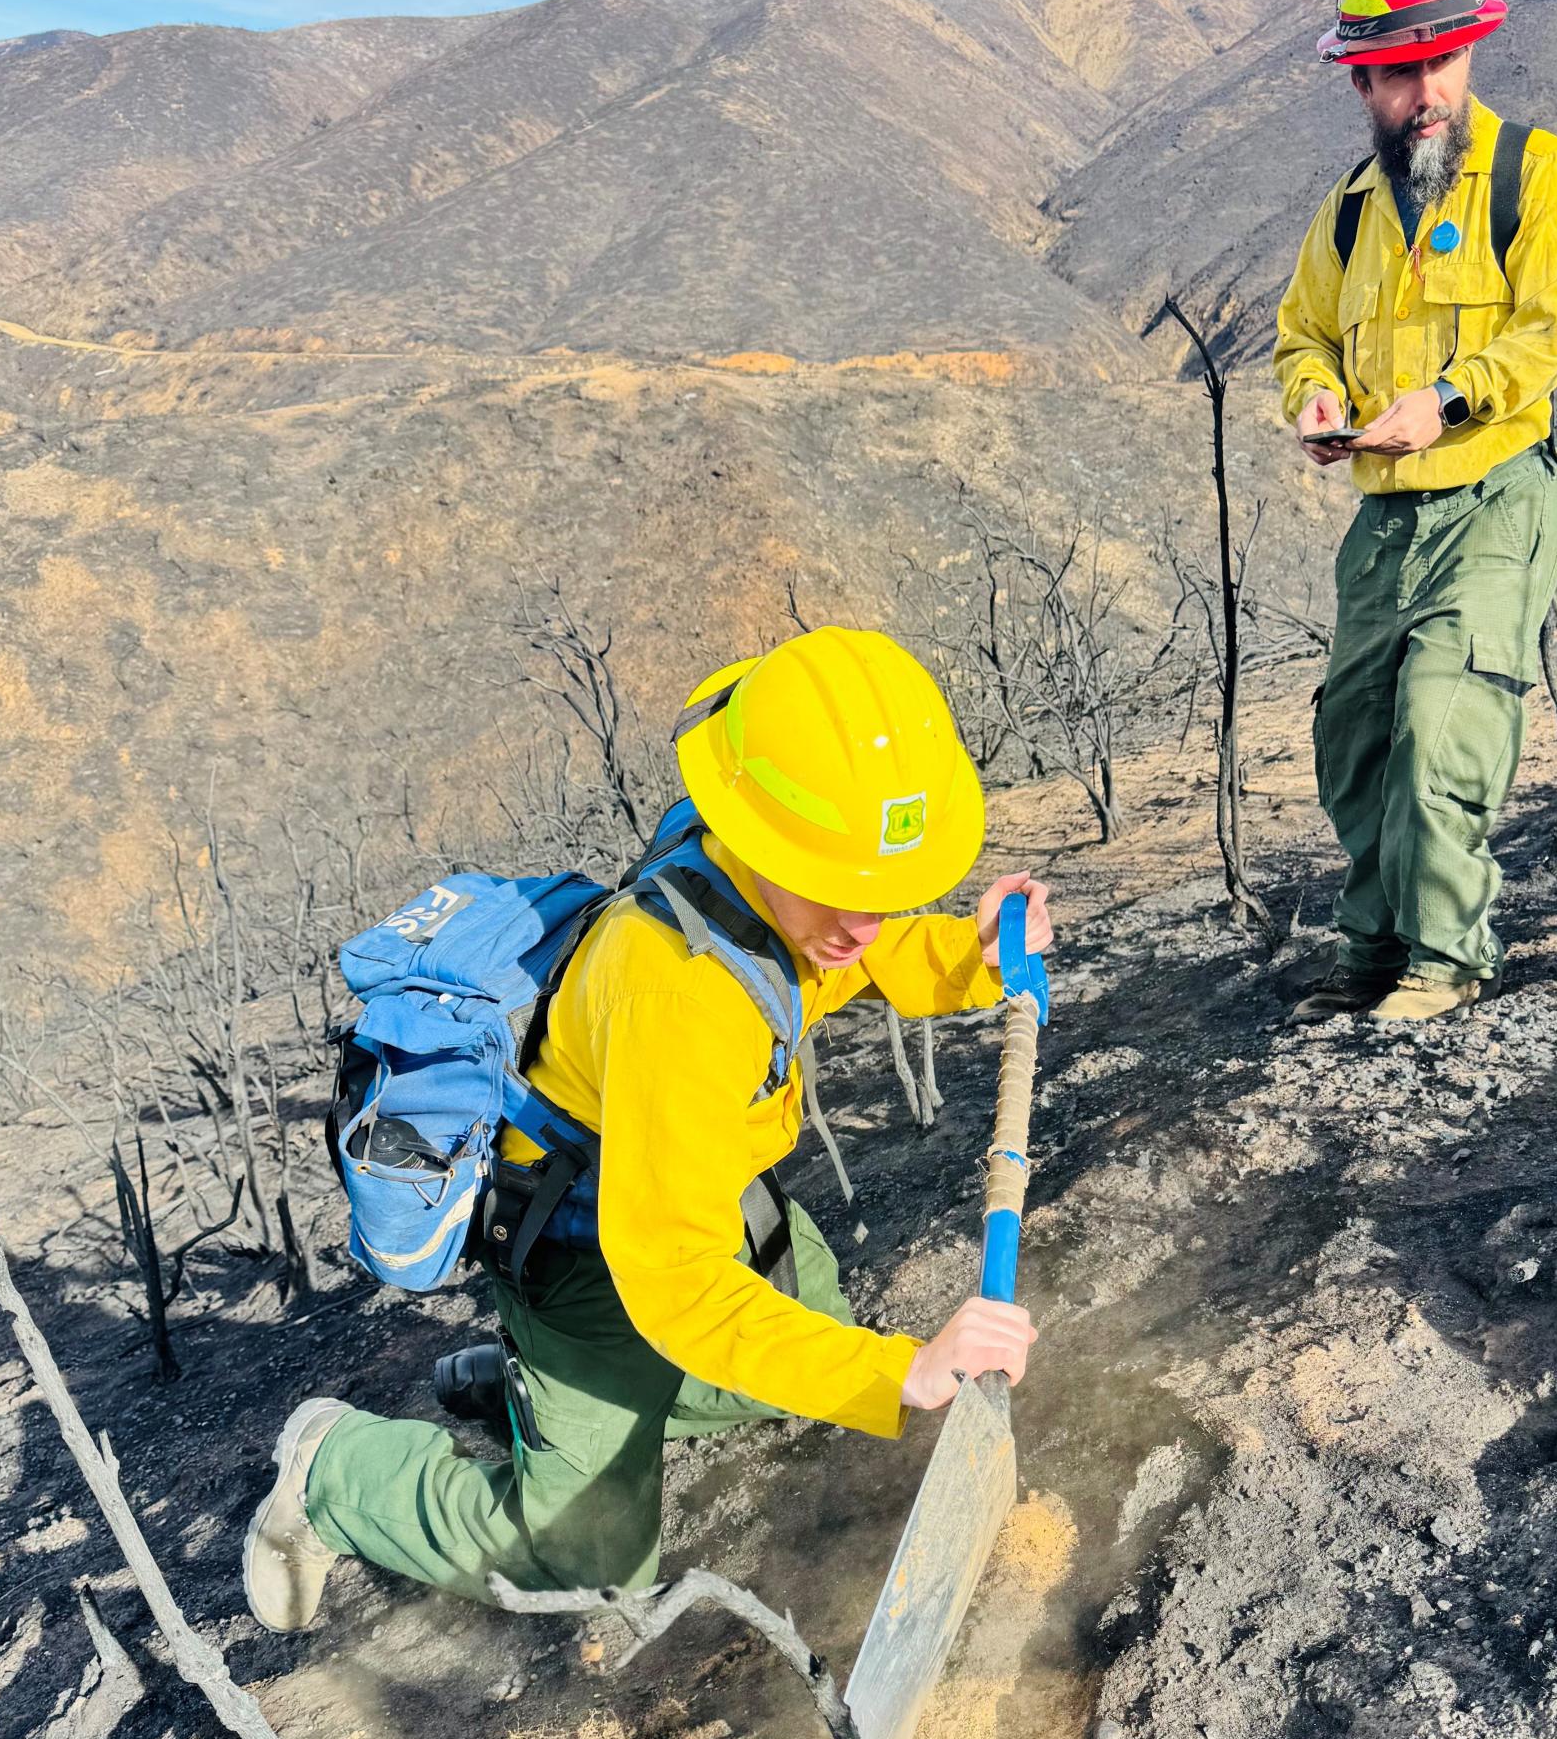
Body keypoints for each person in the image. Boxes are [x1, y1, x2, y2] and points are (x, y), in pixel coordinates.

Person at [244, 627, 1049, 1630]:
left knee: (810, 1353)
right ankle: (338, 1469)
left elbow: (835, 960)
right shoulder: (678, 992)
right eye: (837, 890)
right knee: (588, 1565)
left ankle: (528, 1395)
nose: (860, 926)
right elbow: (674, 1280)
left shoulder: (760, 864)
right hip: (589, 1261)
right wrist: (899, 1370)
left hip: (704, 1196)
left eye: (883, 896)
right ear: (752, 833)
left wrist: (966, 955)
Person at [1273, 0, 1557, 1025]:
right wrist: (1316, 400)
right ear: (1360, 82)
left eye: (1440, 63)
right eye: (1398, 72)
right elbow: (1302, 333)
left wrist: (1450, 399)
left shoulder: (1534, 174)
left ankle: (1447, 961)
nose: (1425, 91)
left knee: (1441, 716)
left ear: (1470, 51)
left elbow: (1550, 333)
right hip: (1386, 514)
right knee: (1355, 734)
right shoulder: (1351, 211)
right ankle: (1372, 947)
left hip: (1498, 493)